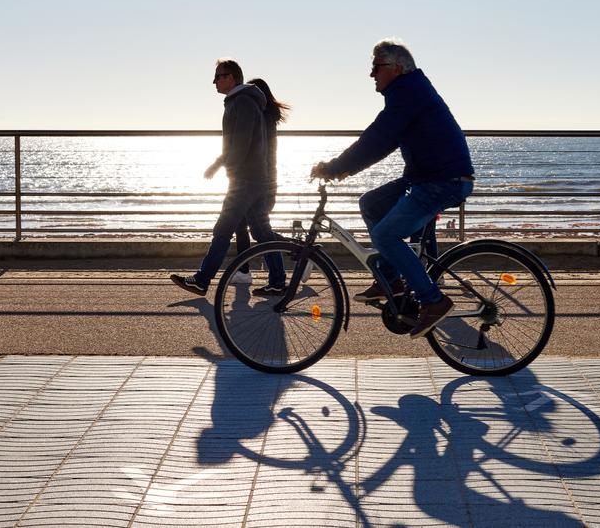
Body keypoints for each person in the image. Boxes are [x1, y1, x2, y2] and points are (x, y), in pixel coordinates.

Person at [310, 38, 474, 339]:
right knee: (371, 204)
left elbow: (377, 137)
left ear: (396, 68)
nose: (372, 74)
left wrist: (334, 167)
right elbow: (384, 142)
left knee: (386, 234)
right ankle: (391, 280)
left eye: (376, 67)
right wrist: (344, 169)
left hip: (442, 181)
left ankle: (433, 300)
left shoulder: (409, 92)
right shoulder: (408, 91)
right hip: (426, 177)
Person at [171, 59, 285, 296]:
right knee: (262, 232)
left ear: (231, 77)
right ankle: (278, 281)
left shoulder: (242, 101)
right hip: (253, 177)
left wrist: (228, 168)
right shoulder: (242, 101)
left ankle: (202, 280)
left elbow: (240, 143)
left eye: (218, 76)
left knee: (223, 229)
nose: (214, 81)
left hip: (244, 179)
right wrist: (217, 164)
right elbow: (238, 143)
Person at [204, 78, 291, 285]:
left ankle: (297, 254)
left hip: (256, 181)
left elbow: (257, 153)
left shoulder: (261, 118)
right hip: (257, 180)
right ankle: (270, 275)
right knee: (256, 229)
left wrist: (228, 168)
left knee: (247, 228)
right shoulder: (261, 116)